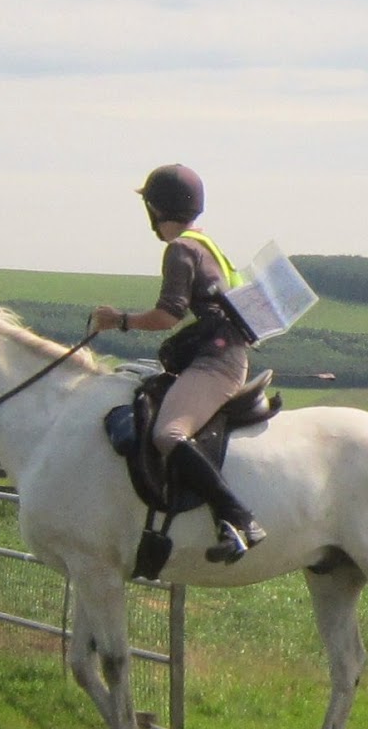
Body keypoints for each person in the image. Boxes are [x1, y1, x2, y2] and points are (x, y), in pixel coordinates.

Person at [92, 164, 266, 564]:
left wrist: (118, 320)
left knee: (168, 434)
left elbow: (168, 315)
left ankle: (239, 519)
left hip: (216, 361)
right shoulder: (208, 247)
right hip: (219, 353)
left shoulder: (181, 249)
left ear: (155, 209)